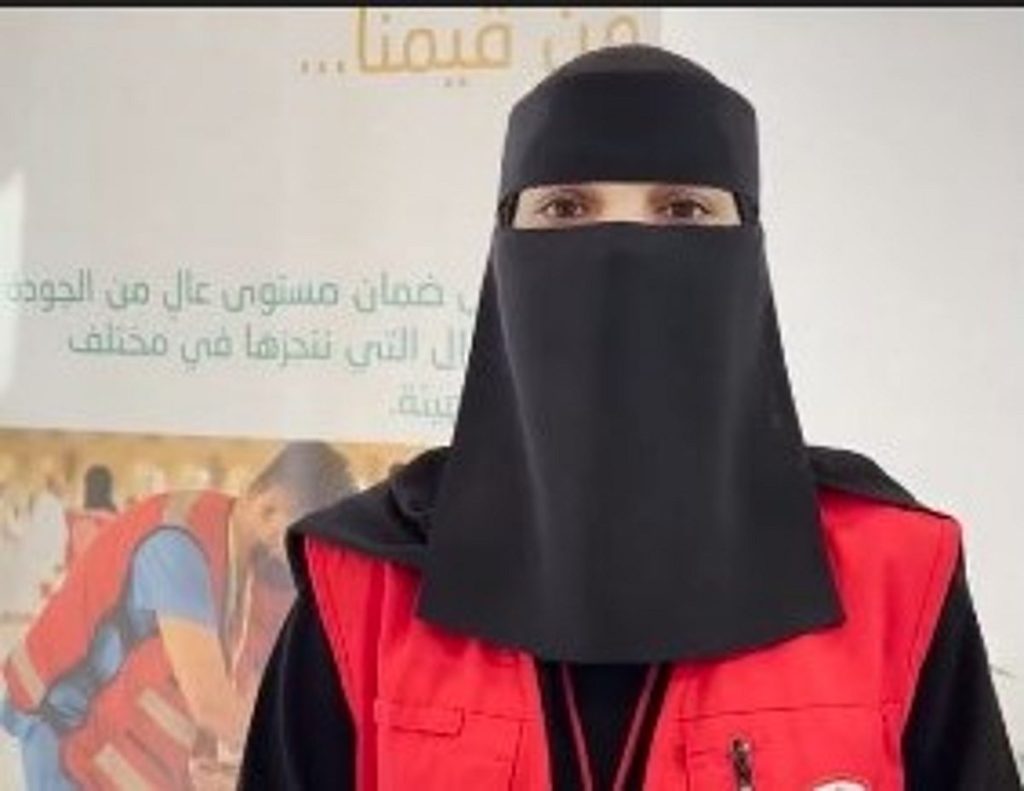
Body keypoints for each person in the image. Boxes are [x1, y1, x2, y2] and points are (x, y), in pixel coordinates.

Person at [239, 44, 1021, 790]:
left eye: (682, 207)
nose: (618, 250)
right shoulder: (366, 589)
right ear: (503, 247)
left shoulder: (894, 574)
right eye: (565, 206)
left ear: (748, 247)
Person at [1, 440, 356, 790]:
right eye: (308, 541)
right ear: (269, 508)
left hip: (102, 729)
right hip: (61, 728)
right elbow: (212, 706)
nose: (310, 557)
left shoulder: (241, 555)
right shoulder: (179, 547)